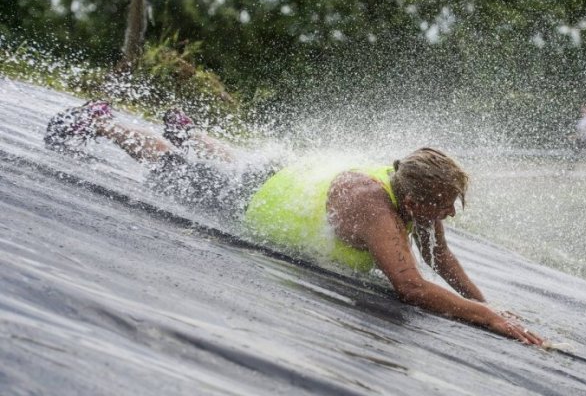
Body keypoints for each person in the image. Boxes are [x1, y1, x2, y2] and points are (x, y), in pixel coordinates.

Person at [44, 101, 544, 346]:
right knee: (171, 166)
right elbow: (411, 287)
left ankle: (190, 131)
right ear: (415, 197)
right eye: (446, 203)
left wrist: (485, 302)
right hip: (252, 199)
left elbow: (439, 255)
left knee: (237, 159)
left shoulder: (414, 195)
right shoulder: (378, 206)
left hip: (285, 176)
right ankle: (105, 121)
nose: (451, 214)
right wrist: (490, 320)